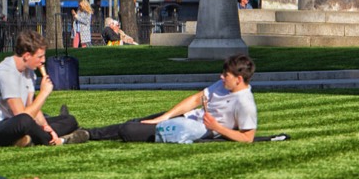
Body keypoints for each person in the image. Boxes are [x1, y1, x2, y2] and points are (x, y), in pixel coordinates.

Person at [86, 54, 257, 144]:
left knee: (128, 130)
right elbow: (197, 99)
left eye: (225, 75)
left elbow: (247, 137)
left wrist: (217, 127)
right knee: (139, 121)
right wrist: (165, 116)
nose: (221, 77)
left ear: (239, 79)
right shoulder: (224, 85)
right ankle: (87, 133)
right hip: (185, 119)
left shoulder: (245, 103)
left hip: (192, 129)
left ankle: (88, 134)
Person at [0, 30, 87, 147]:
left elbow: (33, 109)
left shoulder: (30, 72)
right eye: (40, 56)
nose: (43, 60)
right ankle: (53, 139)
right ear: (27, 56)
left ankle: (28, 139)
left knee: (69, 120)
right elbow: (21, 115)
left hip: (20, 123)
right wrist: (43, 93)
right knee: (24, 121)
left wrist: (45, 126)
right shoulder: (6, 73)